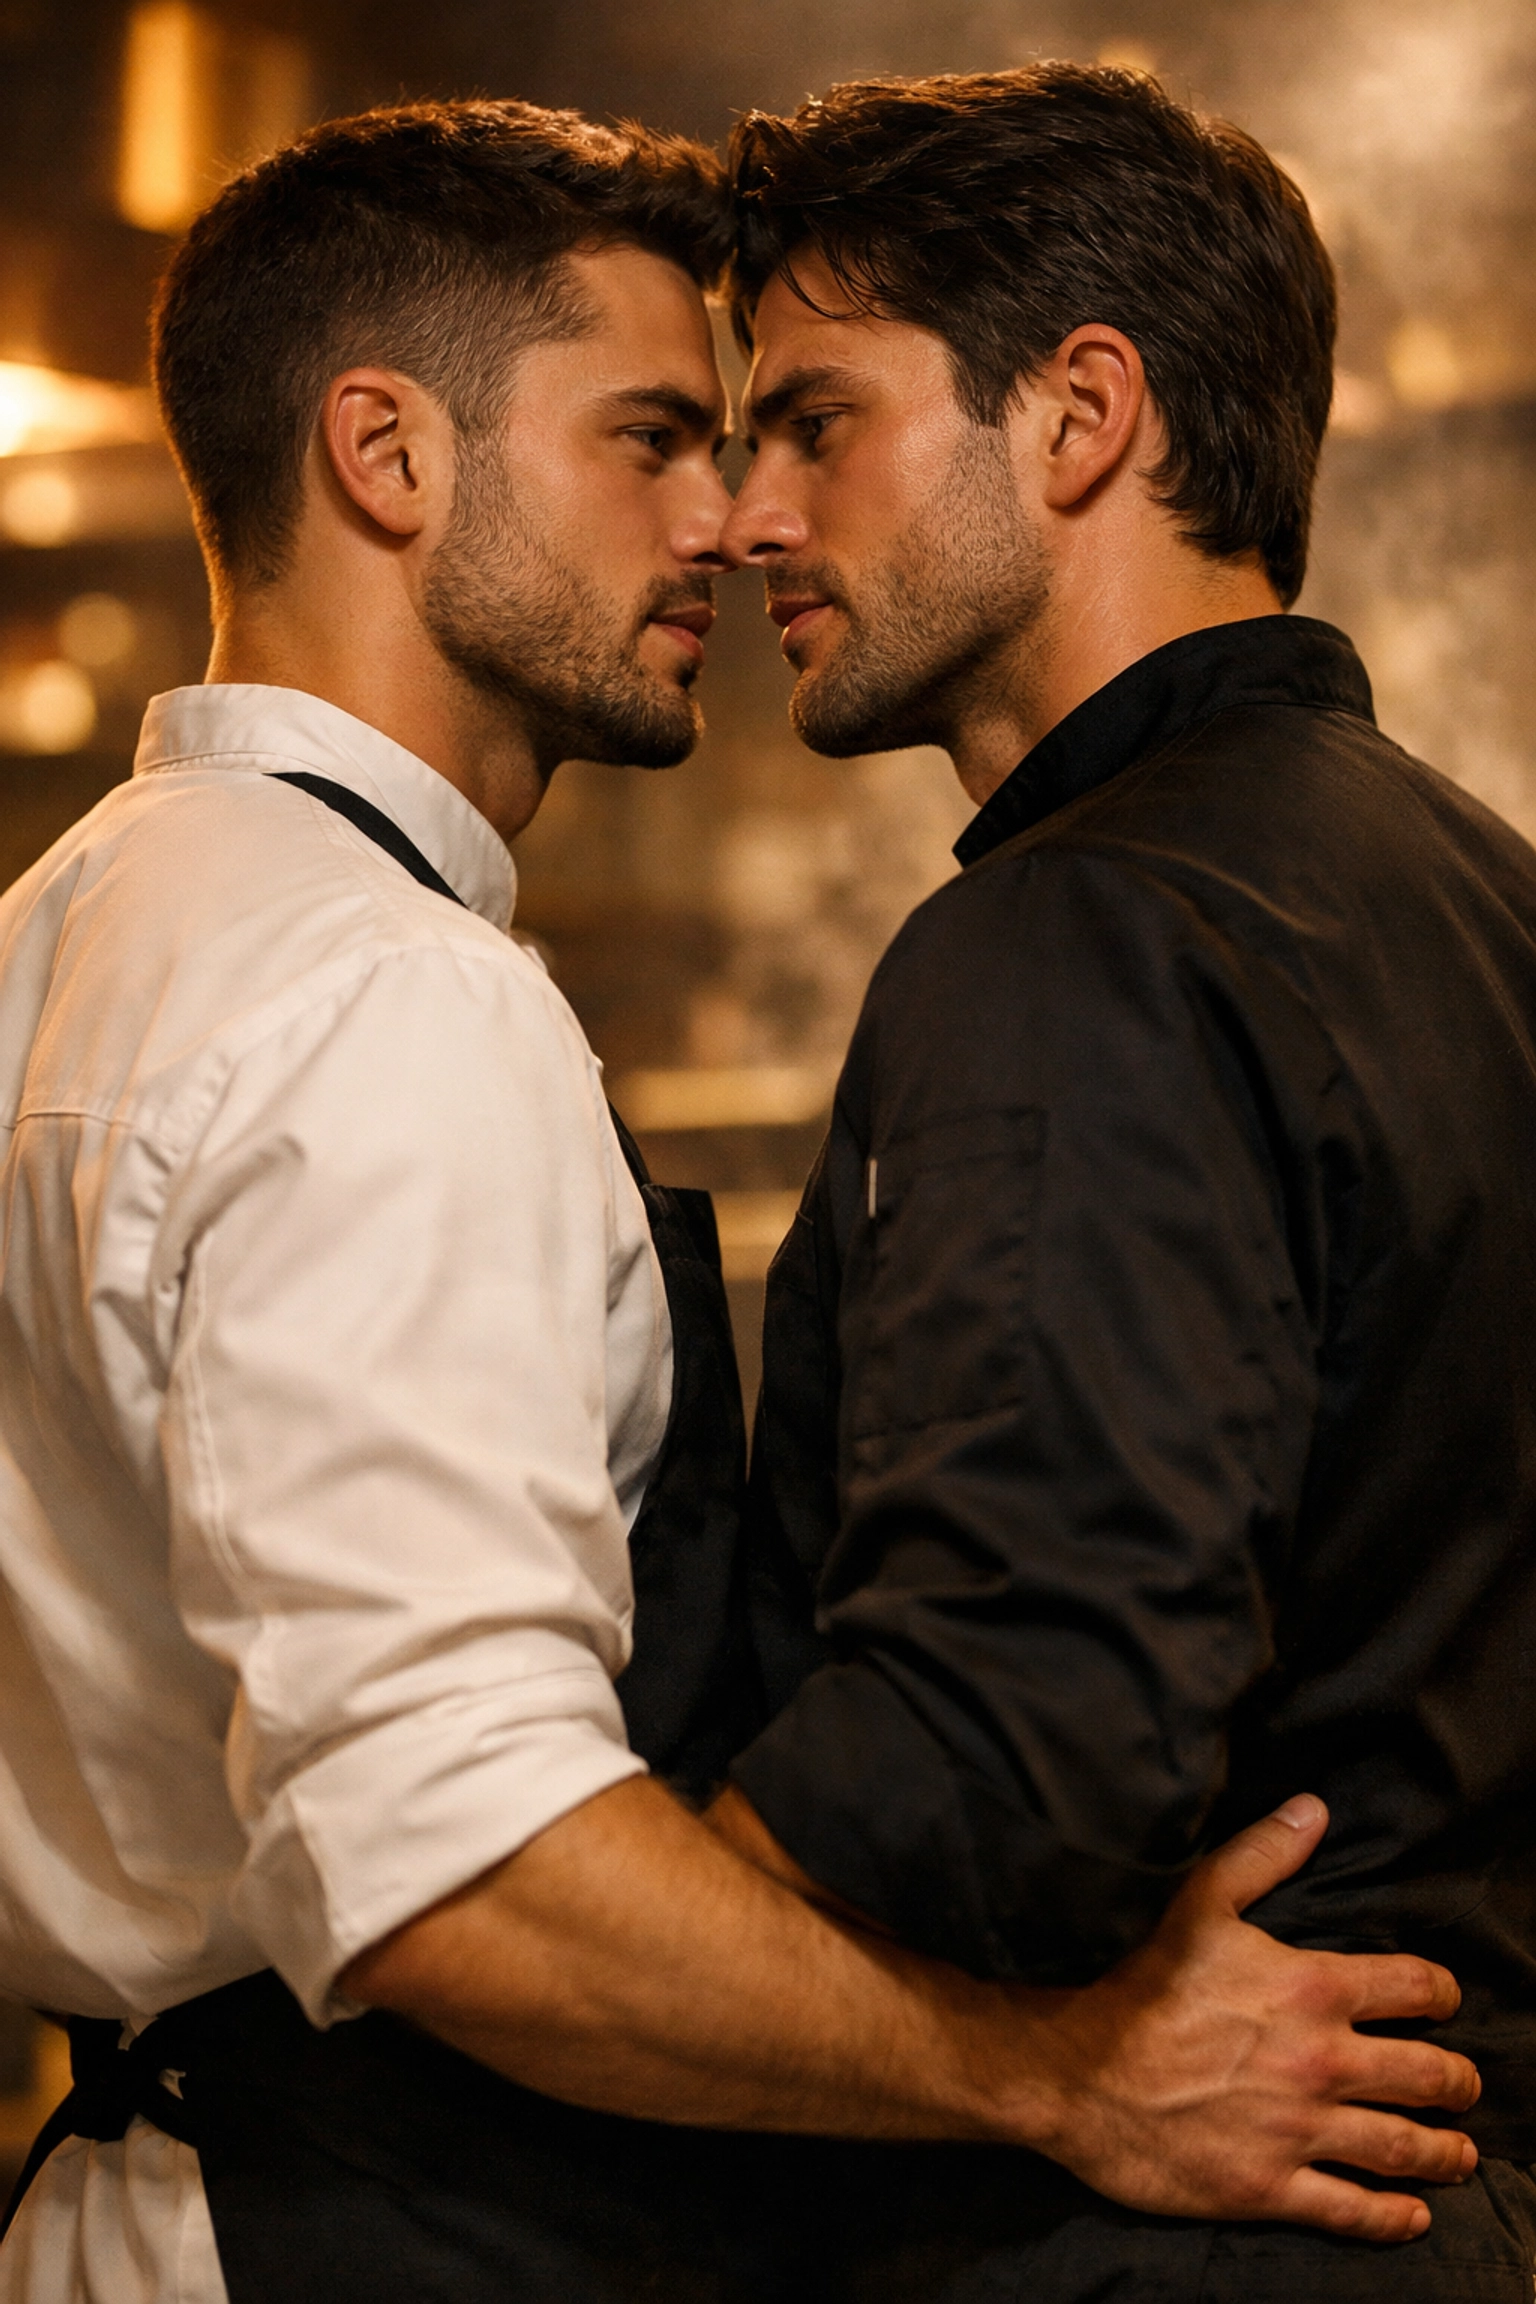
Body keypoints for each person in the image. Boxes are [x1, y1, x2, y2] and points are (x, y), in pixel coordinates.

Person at [0, 93, 1480, 2304]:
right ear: (386, 459)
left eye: (778, 427)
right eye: (656, 437)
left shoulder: (67, 928)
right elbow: (461, 1872)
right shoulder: (380, 990)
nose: (729, 521)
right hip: (367, 2228)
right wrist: (1052, 2070)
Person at [712, 62, 1536, 2300]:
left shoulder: (1088, 931)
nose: (748, 521)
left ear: (1080, 414)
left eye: (814, 424)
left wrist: (613, 1926)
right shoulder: (1485, 895)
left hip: (1162, 2233)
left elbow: (1010, 1749)